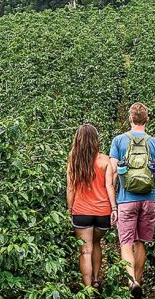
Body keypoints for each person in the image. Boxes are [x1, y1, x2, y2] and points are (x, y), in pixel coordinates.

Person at [108, 102, 155, 298]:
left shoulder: (118, 141)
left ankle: (132, 282)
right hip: (150, 199)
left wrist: (113, 204)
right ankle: (139, 281)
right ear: (147, 119)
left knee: (125, 243)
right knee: (141, 242)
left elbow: (113, 173)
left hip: (126, 200)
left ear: (130, 118)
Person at [67, 124, 115, 289]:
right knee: (96, 244)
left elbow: (70, 188)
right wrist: (114, 209)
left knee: (85, 251)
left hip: (81, 211)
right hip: (102, 212)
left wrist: (70, 209)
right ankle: (96, 279)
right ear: (96, 140)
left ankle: (87, 289)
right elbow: (109, 186)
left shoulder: (74, 159)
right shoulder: (105, 160)